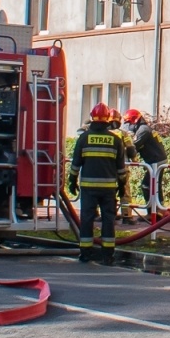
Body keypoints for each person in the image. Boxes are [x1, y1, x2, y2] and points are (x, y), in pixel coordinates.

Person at [67, 103, 126, 265]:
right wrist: (122, 186)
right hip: (108, 189)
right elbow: (121, 168)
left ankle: (86, 253)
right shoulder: (115, 140)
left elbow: (76, 164)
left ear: (92, 118)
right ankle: (108, 255)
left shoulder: (84, 138)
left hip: (88, 188)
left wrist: (71, 181)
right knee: (108, 219)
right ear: (108, 119)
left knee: (87, 219)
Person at [122, 109, 167, 215]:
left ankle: (153, 213)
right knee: (155, 185)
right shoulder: (144, 129)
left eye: (128, 123)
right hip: (157, 159)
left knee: (147, 186)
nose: (127, 125)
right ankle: (160, 210)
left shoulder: (143, 130)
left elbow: (133, 147)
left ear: (134, 121)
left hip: (156, 161)